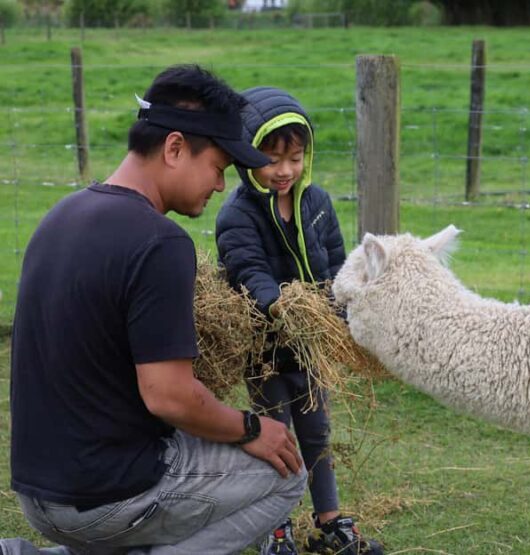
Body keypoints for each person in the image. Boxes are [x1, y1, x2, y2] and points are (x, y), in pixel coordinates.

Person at [1, 65, 306, 555]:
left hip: (39, 491)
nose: (219, 186)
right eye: (218, 167)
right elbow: (168, 397)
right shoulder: (160, 243)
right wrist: (252, 427)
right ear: (175, 149)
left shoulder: (62, 215)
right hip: (103, 497)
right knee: (285, 473)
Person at [215, 87, 383, 555]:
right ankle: (275, 524)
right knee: (275, 434)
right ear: (248, 157)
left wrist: (339, 312)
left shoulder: (319, 204)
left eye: (295, 156)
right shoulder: (237, 214)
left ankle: (329, 520)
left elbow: (335, 267)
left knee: (317, 430)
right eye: (272, 158)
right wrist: (282, 307)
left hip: (313, 348)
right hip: (266, 348)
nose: (285, 170)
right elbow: (249, 271)